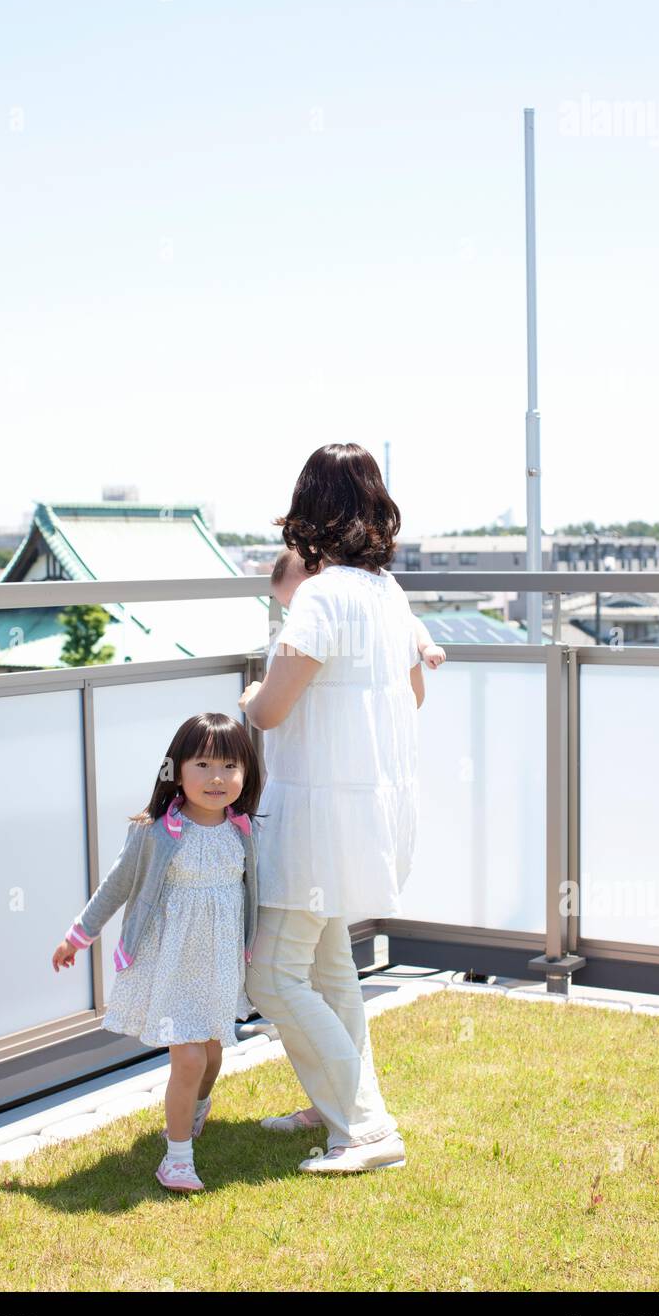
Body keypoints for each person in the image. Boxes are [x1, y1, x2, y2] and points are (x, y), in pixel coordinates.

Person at [239, 441, 431, 1175]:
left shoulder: (320, 596)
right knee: (327, 970)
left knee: (274, 977)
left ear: (310, 509)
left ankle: (366, 1126)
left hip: (316, 817)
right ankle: (338, 1110)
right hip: (368, 812)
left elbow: (272, 711)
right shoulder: (389, 594)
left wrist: (248, 698)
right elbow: (415, 694)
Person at [51, 713, 262, 1195]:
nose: (216, 778)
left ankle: (195, 1107)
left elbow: (255, 898)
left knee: (210, 1057)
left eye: (229, 766)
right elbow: (117, 887)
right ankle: (177, 1158)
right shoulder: (155, 832)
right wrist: (79, 936)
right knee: (188, 1059)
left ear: (245, 773)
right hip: (171, 964)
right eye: (203, 763)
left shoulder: (243, 832)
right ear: (176, 770)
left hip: (217, 966)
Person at [270, 545, 447, 671]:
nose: (296, 611)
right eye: (288, 607)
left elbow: (409, 621)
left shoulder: (357, 603)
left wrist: (426, 646)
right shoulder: (305, 630)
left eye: (298, 599)